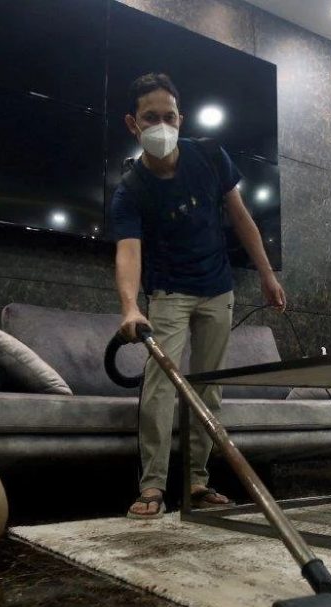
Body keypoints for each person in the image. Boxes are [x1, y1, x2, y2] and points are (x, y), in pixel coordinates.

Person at [112, 72, 286, 519]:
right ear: (133, 123)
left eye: (169, 116)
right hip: (169, 292)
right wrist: (130, 307)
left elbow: (242, 218)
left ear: (180, 118)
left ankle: (196, 482)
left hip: (218, 289)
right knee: (160, 388)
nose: (161, 125)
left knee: (208, 388)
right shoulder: (131, 188)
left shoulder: (209, 156)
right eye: (150, 117)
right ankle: (152, 485)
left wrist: (267, 275)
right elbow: (129, 251)